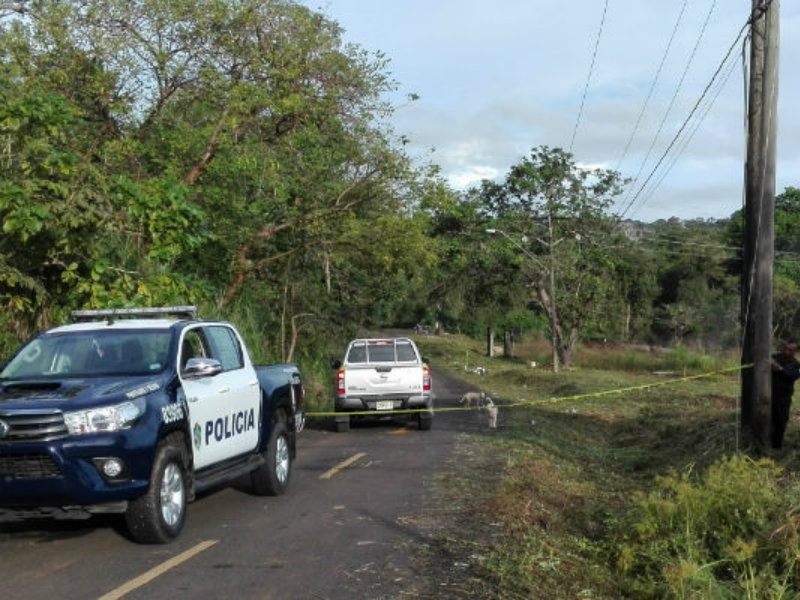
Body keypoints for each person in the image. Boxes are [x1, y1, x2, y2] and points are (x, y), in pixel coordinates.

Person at [771, 341, 800, 449]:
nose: (786, 351)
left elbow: (793, 376)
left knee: (781, 421)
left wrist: (779, 369)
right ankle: (765, 441)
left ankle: (776, 446)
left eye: (790, 350)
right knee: (768, 419)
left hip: (784, 398)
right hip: (769, 396)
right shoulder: (775, 357)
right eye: (785, 348)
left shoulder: (796, 365)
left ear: (795, 352)